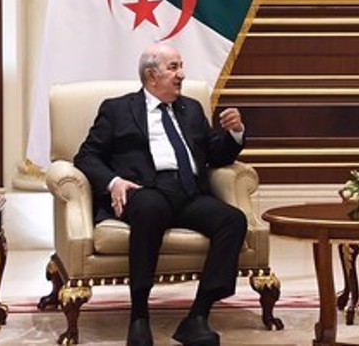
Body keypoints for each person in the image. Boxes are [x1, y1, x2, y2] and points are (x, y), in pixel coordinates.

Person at [75, 43, 247, 346]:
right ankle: (139, 317)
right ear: (151, 75)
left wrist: (235, 134)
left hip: (189, 192)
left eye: (181, 66)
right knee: (150, 208)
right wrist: (114, 181)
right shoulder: (117, 109)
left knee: (232, 220)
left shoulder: (192, 109)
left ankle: (198, 317)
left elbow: (215, 156)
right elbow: (87, 157)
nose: (181, 74)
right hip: (144, 190)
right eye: (174, 67)